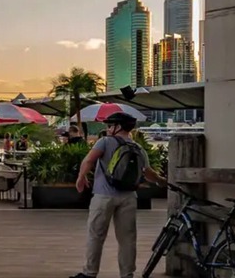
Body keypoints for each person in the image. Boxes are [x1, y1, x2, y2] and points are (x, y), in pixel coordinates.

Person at [69, 112, 166, 278]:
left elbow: (89, 160)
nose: (107, 129)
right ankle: (127, 274)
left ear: (117, 127)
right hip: (128, 197)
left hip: (103, 196)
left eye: (109, 126)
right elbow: (147, 171)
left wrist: (81, 177)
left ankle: (90, 273)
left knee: (96, 235)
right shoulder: (138, 148)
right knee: (127, 239)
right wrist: (160, 180)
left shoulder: (105, 142)